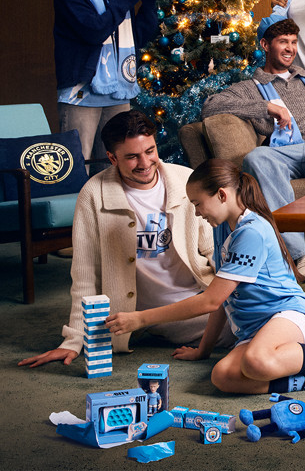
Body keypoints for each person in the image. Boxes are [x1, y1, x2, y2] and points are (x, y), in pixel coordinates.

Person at [103, 159, 305, 395]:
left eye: (198, 204)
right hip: (254, 331)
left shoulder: (251, 231)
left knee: (256, 363)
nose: (197, 212)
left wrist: (140, 319)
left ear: (222, 195)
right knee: (223, 377)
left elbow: (211, 301)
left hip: (289, 316)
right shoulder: (227, 228)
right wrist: (205, 351)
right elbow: (223, 301)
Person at [18, 111, 223, 369]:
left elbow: (215, 250)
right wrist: (72, 341)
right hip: (152, 313)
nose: (145, 162)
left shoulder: (185, 179)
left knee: (259, 313)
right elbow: (85, 275)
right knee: (245, 328)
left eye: (150, 151)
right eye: (132, 156)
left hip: (200, 296)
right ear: (112, 158)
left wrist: (238, 295)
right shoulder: (93, 194)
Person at [201, 18, 305, 286]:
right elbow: (211, 106)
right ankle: (301, 255)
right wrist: (266, 107)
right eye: (282, 42)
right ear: (265, 45)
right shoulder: (250, 87)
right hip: (281, 153)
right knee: (256, 157)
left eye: (293, 42)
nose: (290, 48)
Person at [54, 0, 159, 171]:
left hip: (118, 92)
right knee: (78, 164)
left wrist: (149, 2)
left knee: (115, 164)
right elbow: (93, 31)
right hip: (81, 90)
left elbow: (138, 39)